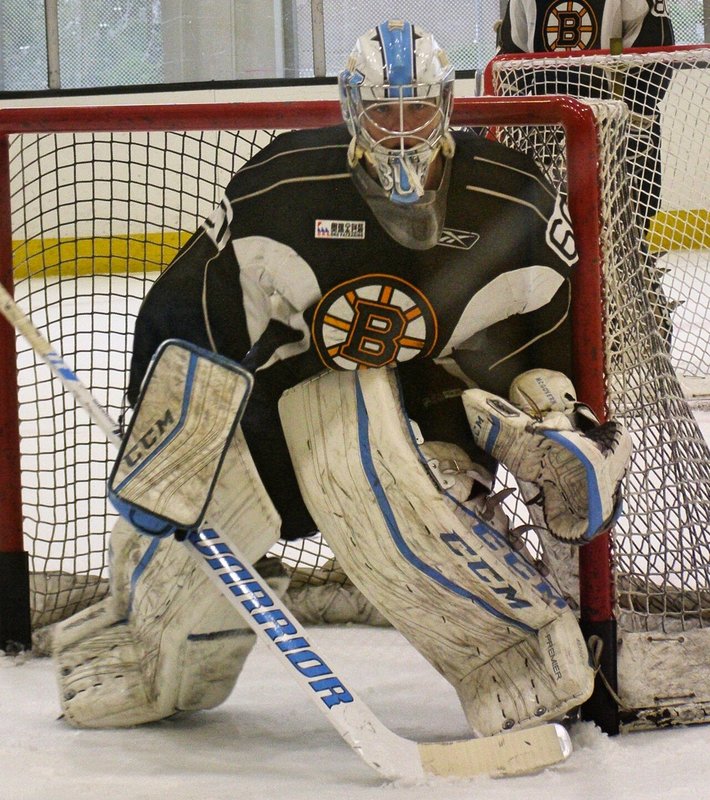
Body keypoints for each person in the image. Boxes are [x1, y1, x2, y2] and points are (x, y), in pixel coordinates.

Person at [52, 19, 630, 738]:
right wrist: (167, 433)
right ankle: (150, 649)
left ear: (445, 109)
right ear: (351, 109)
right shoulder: (284, 184)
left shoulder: (512, 200)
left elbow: (545, 342)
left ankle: (522, 663)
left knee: (418, 499)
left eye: (414, 110)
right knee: (203, 529)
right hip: (292, 396)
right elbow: (191, 311)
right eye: (381, 112)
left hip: (439, 404)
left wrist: (550, 411)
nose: (398, 131)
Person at [496, 0, 676, 342]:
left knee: (622, 236)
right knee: (546, 234)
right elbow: (511, 58)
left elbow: (656, 56)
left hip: (618, 129)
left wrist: (627, 119)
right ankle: (554, 327)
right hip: (546, 130)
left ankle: (630, 318)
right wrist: (522, 116)